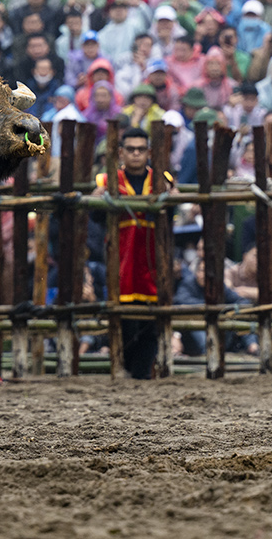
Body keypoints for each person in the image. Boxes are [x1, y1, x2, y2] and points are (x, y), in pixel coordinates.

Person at [92, 127, 172, 379]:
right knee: (123, 320)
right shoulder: (106, 181)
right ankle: (125, 368)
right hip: (122, 260)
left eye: (140, 149)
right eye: (131, 149)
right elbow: (94, 216)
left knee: (151, 321)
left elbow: (172, 215)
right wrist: (97, 199)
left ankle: (141, 375)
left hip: (153, 259)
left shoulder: (163, 180)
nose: (136, 154)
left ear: (149, 152)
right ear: (121, 152)